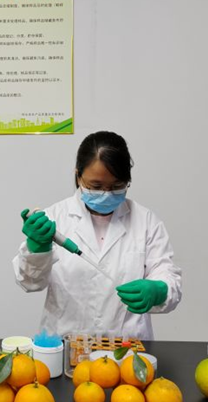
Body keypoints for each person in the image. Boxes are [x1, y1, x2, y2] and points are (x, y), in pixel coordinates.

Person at [12, 131, 182, 339]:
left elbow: (168, 276)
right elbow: (30, 283)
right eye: (96, 186)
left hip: (127, 347)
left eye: (117, 186)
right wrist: (37, 248)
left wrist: (158, 290)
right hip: (66, 344)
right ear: (78, 176)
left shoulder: (146, 221)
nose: (107, 194)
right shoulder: (55, 218)